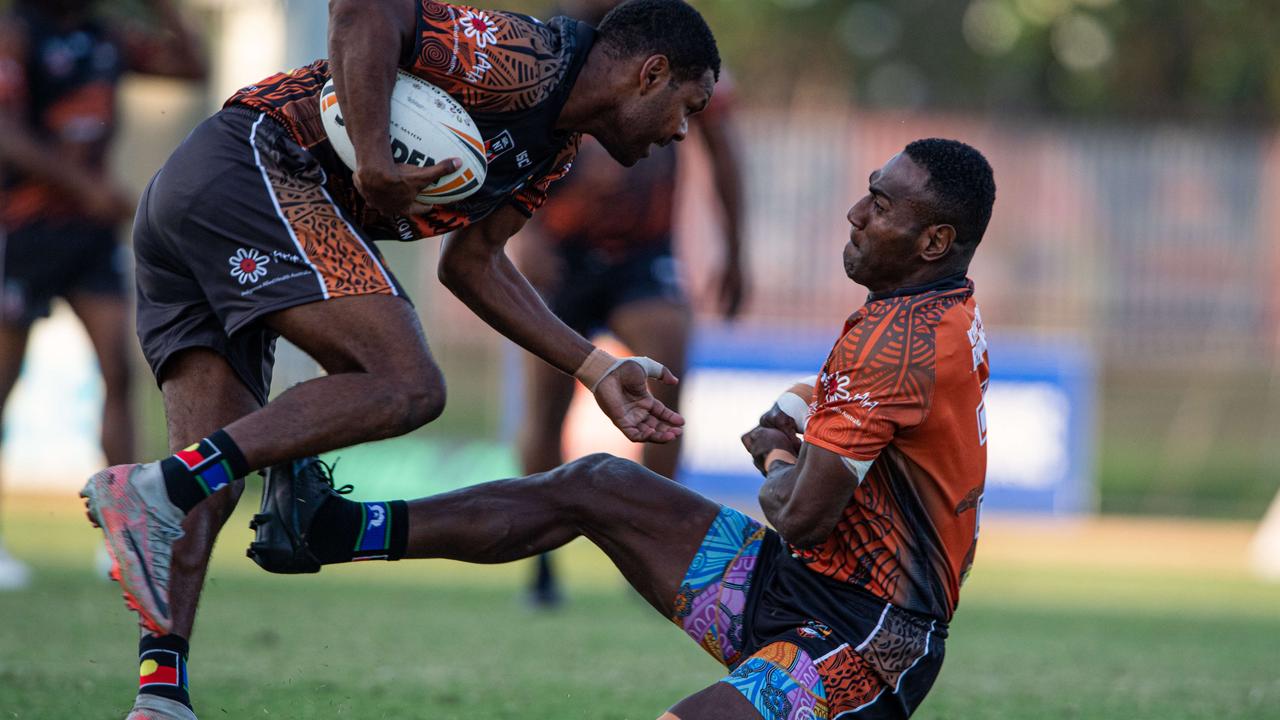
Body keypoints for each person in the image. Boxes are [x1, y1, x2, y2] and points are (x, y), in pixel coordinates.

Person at [79, 1, 720, 717]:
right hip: (256, 162)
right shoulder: (526, 59)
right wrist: (376, 155)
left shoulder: (555, 146)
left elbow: (472, 265)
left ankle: (159, 693)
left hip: (202, 194)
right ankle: (161, 484)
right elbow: (363, 8)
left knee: (213, 477)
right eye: (686, 107)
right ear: (650, 73)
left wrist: (594, 366)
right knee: (406, 383)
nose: (681, 133)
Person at [254, 139, 996, 719]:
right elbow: (901, 413)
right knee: (596, 482)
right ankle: (331, 531)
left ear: (933, 242)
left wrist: (776, 454)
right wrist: (809, 404)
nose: (856, 213)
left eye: (880, 203)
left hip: (864, 640)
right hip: (795, 586)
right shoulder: (934, 312)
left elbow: (801, 516)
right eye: (867, 192)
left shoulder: (901, 343)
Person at [514, 0, 745, 607]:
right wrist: (522, 232)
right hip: (561, 250)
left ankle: (654, 550)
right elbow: (505, 137)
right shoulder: (544, 43)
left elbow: (721, 149)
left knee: (668, 364)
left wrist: (737, 250)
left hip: (644, 254)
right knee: (545, 403)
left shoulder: (674, 39)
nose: (678, 128)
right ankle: (540, 564)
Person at [0, 0, 205, 590]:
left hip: (88, 237)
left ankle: (125, 534)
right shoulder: (17, 34)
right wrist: (87, 186)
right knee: (6, 378)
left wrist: (166, 9)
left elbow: (190, 67)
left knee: (118, 369)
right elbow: (8, 135)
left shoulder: (105, 35)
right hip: (24, 230)